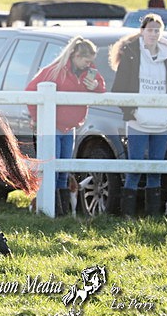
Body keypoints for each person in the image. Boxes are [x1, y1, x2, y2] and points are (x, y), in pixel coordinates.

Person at [110, 13, 167, 217]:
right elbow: (119, 88)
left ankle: (153, 216)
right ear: (142, 31)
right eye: (149, 29)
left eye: (157, 30)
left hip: (163, 122)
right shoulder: (131, 55)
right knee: (134, 168)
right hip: (137, 121)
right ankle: (127, 215)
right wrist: (131, 112)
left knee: (156, 170)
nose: (153, 33)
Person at [25, 36, 106, 216]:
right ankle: (51, 211)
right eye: (85, 60)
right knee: (51, 169)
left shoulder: (90, 72)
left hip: (70, 127)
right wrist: (37, 118)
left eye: (90, 61)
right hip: (52, 126)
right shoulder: (54, 71)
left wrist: (95, 85)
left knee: (63, 170)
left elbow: (101, 87)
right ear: (75, 56)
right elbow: (30, 91)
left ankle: (60, 212)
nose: (88, 64)